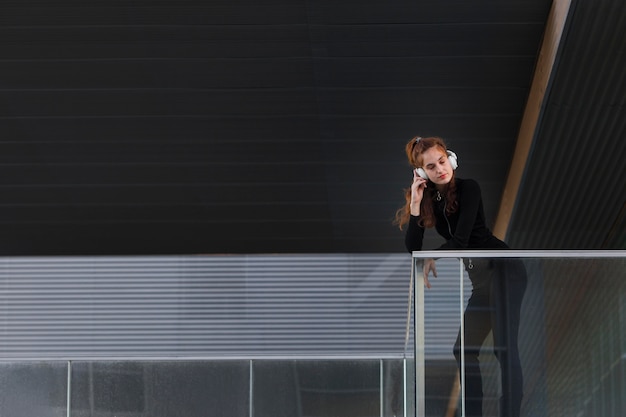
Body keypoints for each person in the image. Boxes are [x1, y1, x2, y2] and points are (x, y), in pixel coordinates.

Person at [394, 136, 528, 417]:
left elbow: (463, 239)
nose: (440, 169)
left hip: (504, 270)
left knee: (504, 349)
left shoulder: (469, 188)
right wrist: (416, 204)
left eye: (442, 161)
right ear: (421, 173)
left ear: (451, 158)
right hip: (479, 282)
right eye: (430, 166)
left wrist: (435, 256)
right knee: (463, 349)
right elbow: (412, 248)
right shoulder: (431, 201)